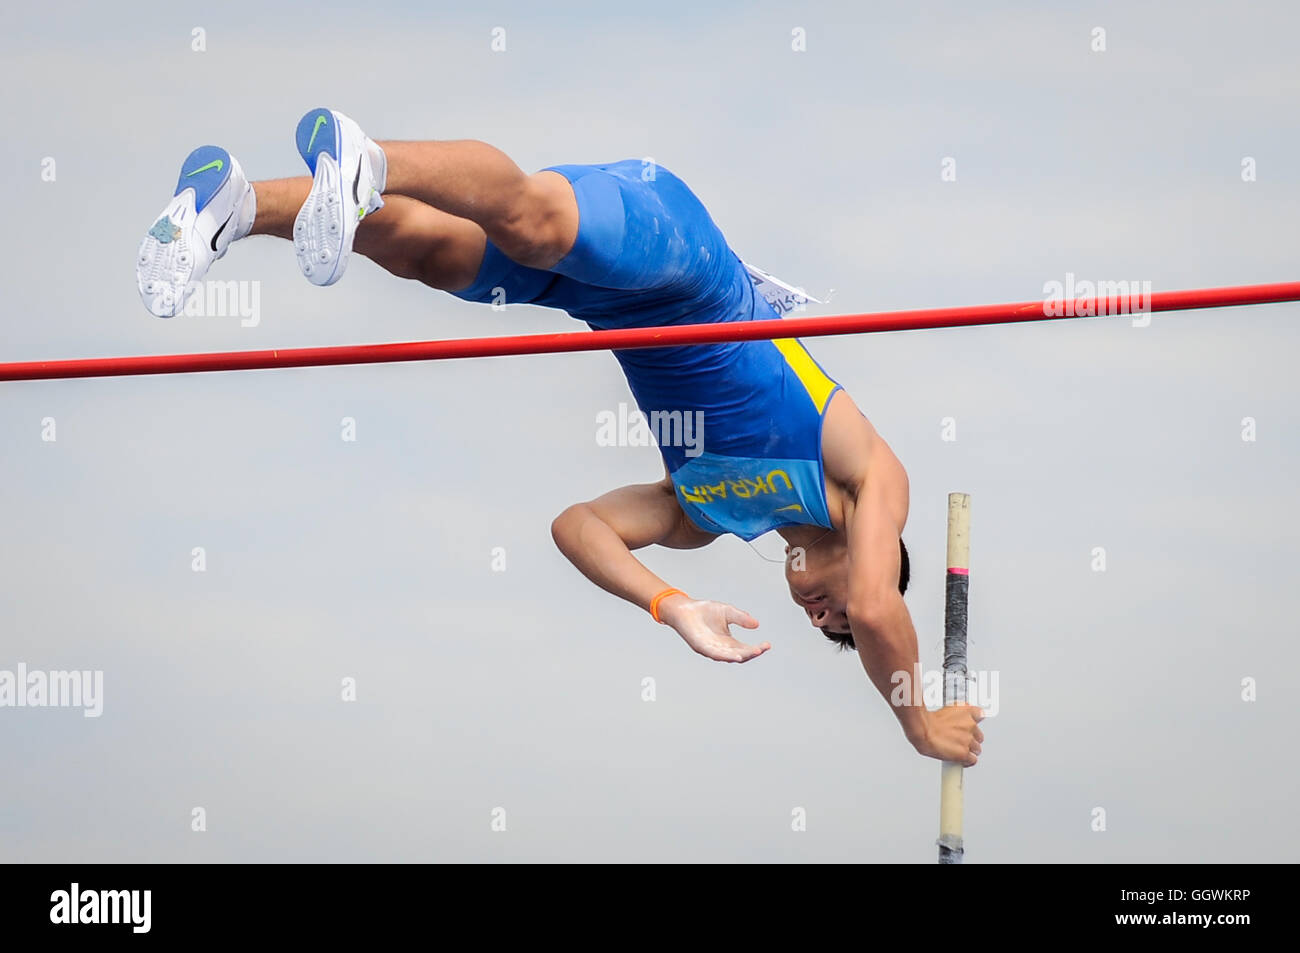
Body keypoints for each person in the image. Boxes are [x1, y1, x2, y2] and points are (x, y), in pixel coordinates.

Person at [136, 108, 984, 766]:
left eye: (825, 628)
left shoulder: (711, 512)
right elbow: (880, 609)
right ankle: (370, 158)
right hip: (683, 260)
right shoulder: (863, 478)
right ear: (872, 552)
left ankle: (234, 205)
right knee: (530, 219)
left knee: (427, 255)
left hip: (604, 300)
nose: (830, 616)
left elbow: (578, 525)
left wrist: (672, 605)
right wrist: (918, 724)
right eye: (842, 614)